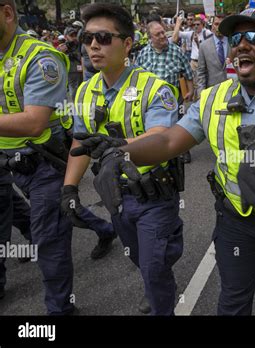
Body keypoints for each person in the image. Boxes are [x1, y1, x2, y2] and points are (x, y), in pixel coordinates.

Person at [88, 9, 255, 316]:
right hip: (234, 220)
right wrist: (123, 152)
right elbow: (170, 141)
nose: (242, 45)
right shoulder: (212, 98)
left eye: (254, 38)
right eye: (236, 39)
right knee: (233, 299)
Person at [66, 3, 184, 316]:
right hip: (113, 197)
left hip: (154, 195)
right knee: (139, 258)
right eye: (87, 38)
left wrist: (117, 146)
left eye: (103, 37)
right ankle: (155, 279)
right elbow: (80, 141)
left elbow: (161, 135)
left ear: (127, 44)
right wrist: (69, 189)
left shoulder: (154, 89)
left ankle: (162, 299)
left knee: (155, 264)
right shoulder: (84, 92)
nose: (93, 45)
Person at [0, 0, 75, 314]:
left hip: (44, 163)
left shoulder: (40, 57)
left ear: (6, 13)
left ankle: (60, 310)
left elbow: (34, 121)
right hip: (8, 160)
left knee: (50, 241)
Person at [136, 16, 194, 164]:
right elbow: (136, 77)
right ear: (150, 38)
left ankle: (182, 151)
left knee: (180, 124)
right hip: (151, 98)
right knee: (154, 126)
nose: (163, 36)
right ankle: (156, 152)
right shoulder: (143, 54)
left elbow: (188, 72)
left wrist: (191, 90)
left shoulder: (176, 51)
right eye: (158, 34)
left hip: (174, 97)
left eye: (163, 32)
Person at [196, 14, 231, 95]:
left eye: (222, 24)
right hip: (212, 92)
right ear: (212, 26)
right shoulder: (204, 46)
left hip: (232, 90)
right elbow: (201, 72)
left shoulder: (233, 43)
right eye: (216, 24)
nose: (219, 27)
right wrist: (201, 94)